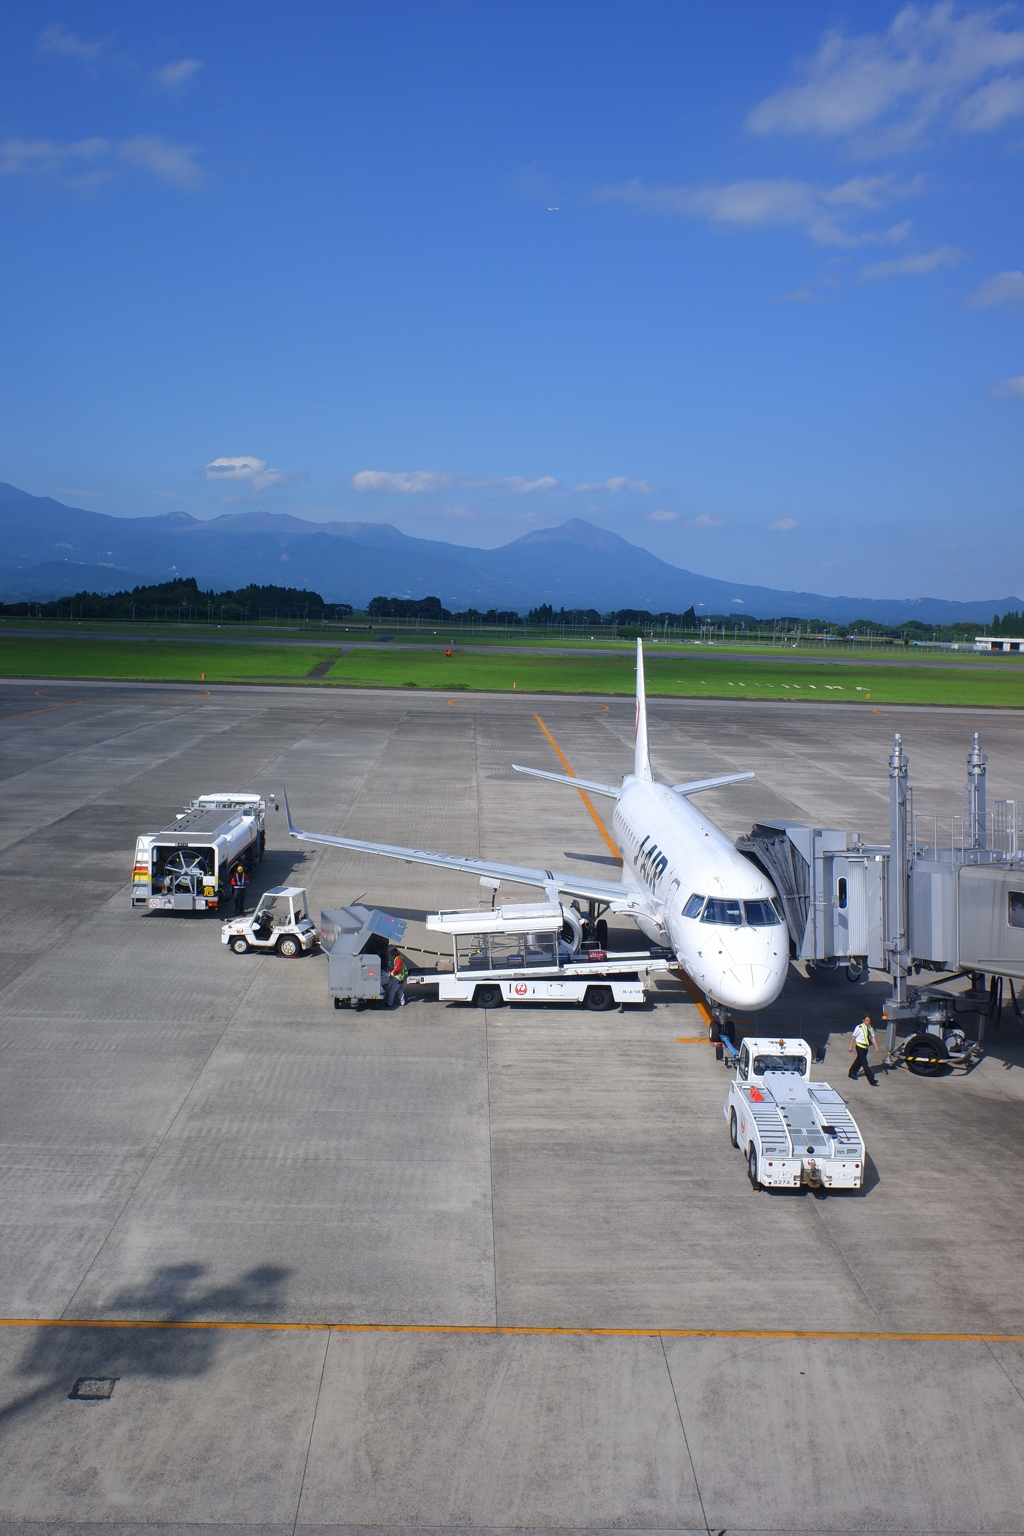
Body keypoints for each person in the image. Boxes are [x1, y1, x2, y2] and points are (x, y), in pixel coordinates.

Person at [848, 1014, 880, 1085]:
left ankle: (851, 1072)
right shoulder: (859, 1027)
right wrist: (851, 1046)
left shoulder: (870, 1028)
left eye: (869, 1020)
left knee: (859, 1061)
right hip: (859, 1047)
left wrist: (876, 1046)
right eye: (866, 1020)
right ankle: (871, 1080)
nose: (868, 1022)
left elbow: (872, 1037)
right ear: (863, 1020)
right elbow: (853, 1037)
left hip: (866, 1048)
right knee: (865, 1063)